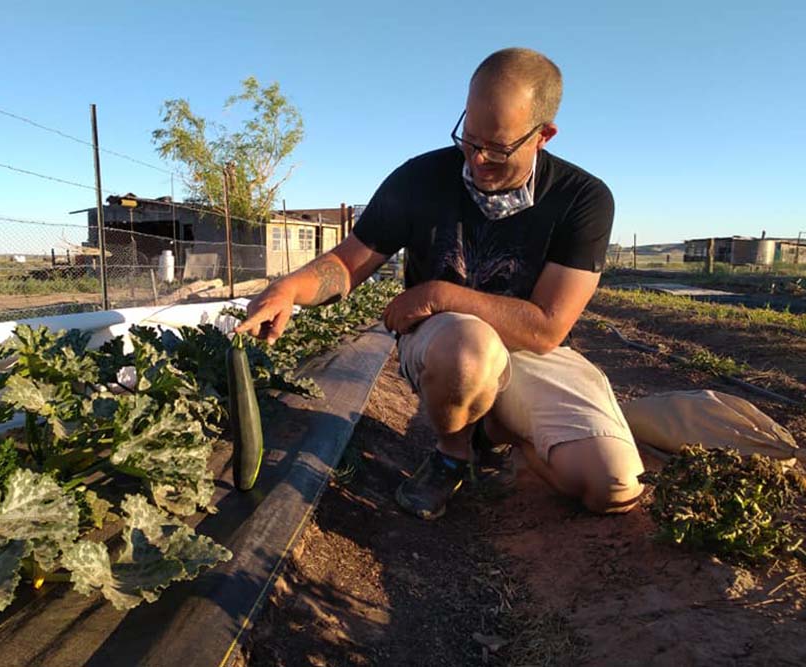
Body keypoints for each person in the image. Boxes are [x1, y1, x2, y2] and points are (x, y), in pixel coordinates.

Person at [236, 47, 645, 520]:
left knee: (612, 486)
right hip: (450, 346)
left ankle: (494, 433)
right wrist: (287, 290)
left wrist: (437, 293)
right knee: (468, 351)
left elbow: (547, 329)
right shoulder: (420, 178)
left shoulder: (583, 199)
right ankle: (453, 453)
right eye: (469, 140)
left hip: (535, 352)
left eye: (498, 147)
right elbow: (348, 265)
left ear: (543, 135)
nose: (478, 159)